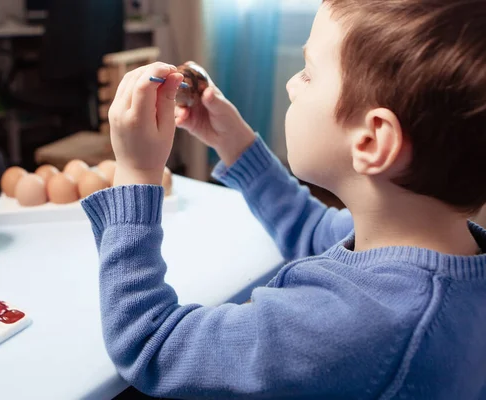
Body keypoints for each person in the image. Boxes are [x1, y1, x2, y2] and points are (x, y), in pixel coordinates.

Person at [81, 0, 486, 398]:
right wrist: (234, 142)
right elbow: (310, 230)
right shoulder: (435, 246)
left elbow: (152, 344)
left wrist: (136, 173)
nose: (293, 84)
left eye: (309, 74)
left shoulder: (358, 322)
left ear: (372, 140)